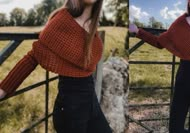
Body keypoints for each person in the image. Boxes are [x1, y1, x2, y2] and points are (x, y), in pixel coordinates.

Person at [0, 0, 112, 132]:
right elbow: (32, 57)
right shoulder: (62, 20)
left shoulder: (93, 26)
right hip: (70, 110)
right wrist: (3, 89)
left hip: (91, 102)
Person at [129, 0, 190, 132]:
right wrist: (137, 31)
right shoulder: (181, 22)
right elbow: (159, 42)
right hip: (182, 80)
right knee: (175, 127)